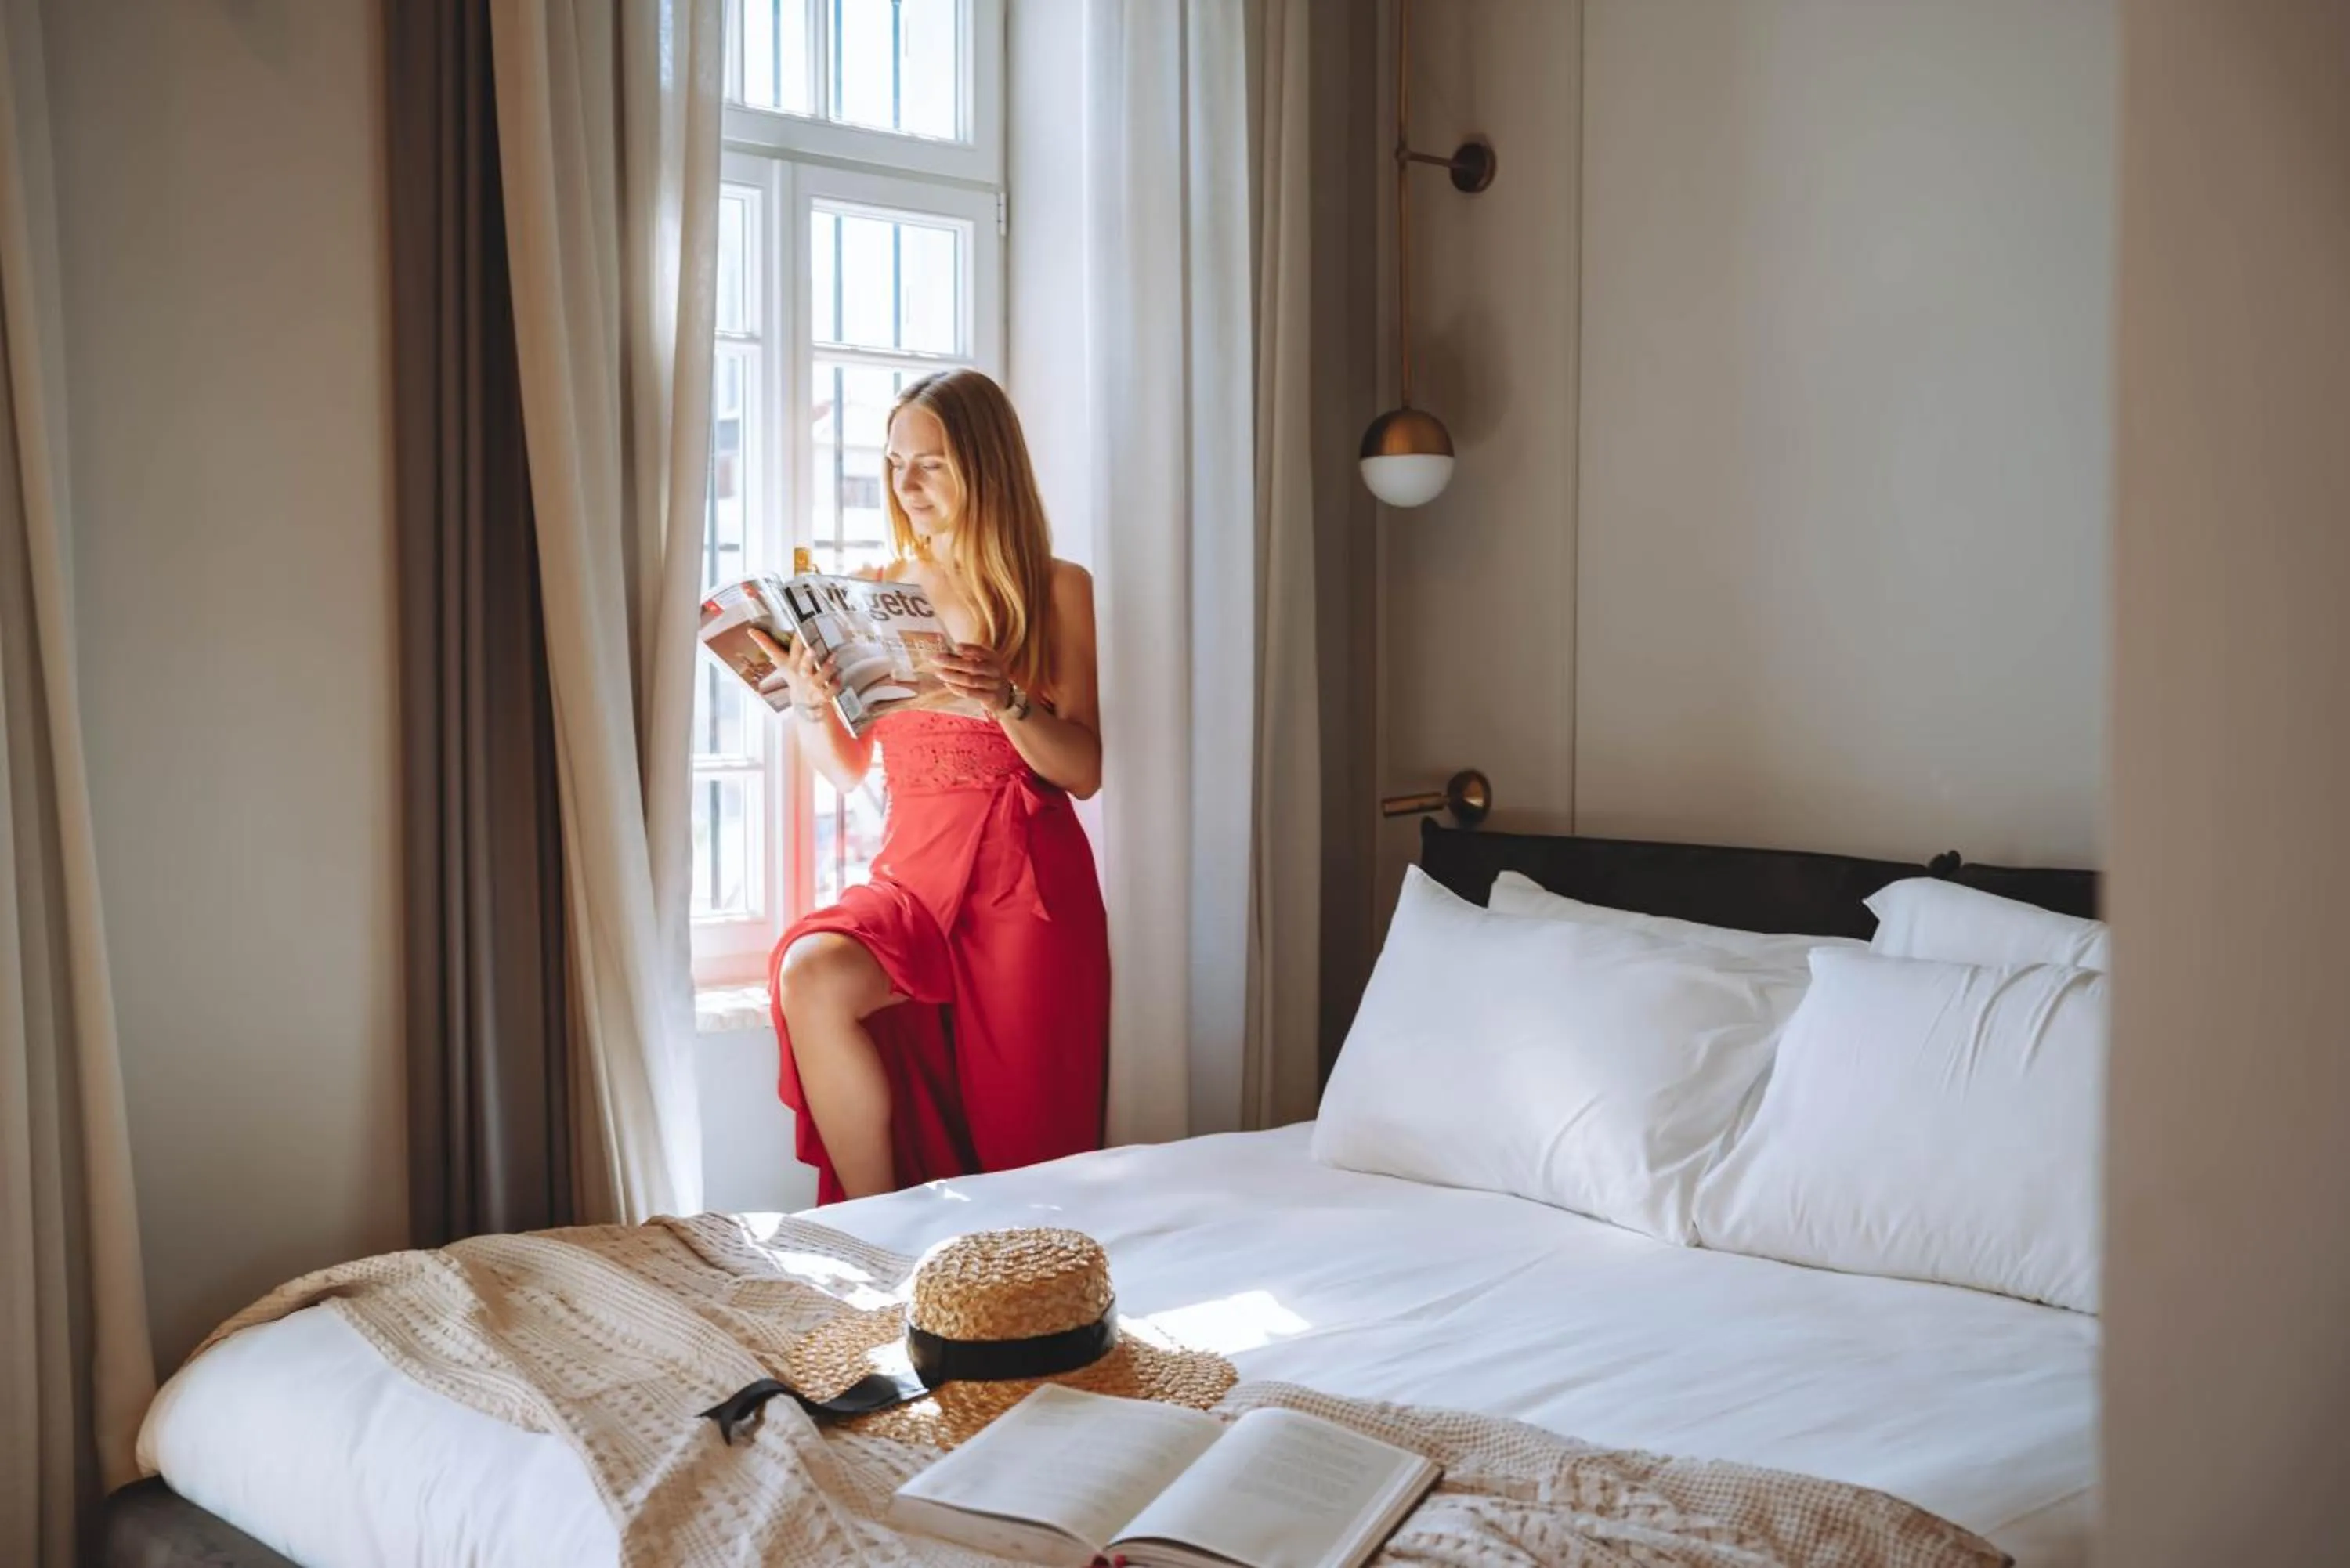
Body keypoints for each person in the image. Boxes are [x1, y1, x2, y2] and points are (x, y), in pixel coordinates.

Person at [760, 368, 1110, 1203]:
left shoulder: (1057, 587)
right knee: (812, 976)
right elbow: (846, 768)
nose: (905, 485)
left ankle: (1017, 1269)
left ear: (984, 465)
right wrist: (809, 704)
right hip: (913, 876)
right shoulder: (873, 590)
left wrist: (1006, 700)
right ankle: (878, 1229)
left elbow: (1084, 770)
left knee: (1028, 1151)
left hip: (1025, 887)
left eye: (930, 464)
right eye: (894, 463)